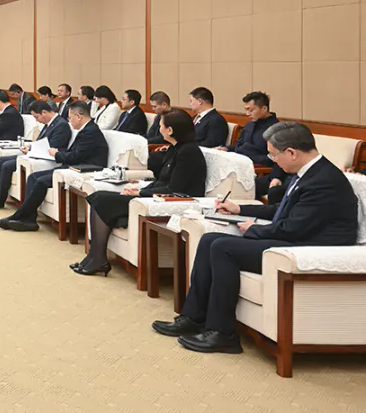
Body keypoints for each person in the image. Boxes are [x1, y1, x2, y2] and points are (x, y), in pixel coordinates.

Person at [153, 122, 359, 354]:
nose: (273, 161)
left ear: (292, 152)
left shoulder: (324, 181)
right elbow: (282, 210)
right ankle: (194, 317)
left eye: (274, 155)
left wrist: (253, 229)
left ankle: (223, 333)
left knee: (223, 248)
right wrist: (239, 209)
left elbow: (292, 228)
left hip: (309, 248)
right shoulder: (309, 172)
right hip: (296, 237)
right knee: (210, 239)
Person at [75, 108, 205, 276]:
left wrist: (140, 194)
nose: (159, 129)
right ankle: (95, 256)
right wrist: (140, 189)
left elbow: (174, 188)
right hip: (155, 196)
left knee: (100, 199)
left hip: (171, 200)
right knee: (98, 197)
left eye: (161, 126)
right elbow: (160, 180)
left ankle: (98, 259)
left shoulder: (189, 152)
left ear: (170, 130)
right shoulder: (174, 148)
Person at [0, 101, 108, 231]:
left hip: (84, 169)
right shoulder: (87, 129)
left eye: (70, 117)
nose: (69, 121)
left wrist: (57, 154)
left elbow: (75, 157)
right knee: (33, 177)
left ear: (78, 116)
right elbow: (75, 153)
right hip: (75, 166)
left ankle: (20, 216)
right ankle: (29, 219)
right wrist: (59, 153)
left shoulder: (90, 132)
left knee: (41, 181)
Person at [0, 100, 70, 209]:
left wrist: (32, 149)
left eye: (36, 117)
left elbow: (52, 147)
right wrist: (30, 146)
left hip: (45, 158)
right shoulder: (50, 123)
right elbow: (41, 143)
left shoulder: (61, 125)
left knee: (7, 165)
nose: (37, 120)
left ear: (44, 112)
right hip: (35, 154)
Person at [218, 91, 279, 165]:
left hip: (258, 167)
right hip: (242, 161)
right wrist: (227, 148)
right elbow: (239, 146)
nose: (247, 114)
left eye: (251, 110)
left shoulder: (276, 128)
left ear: (264, 109)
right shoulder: (249, 124)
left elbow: (274, 159)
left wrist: (246, 155)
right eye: (246, 110)